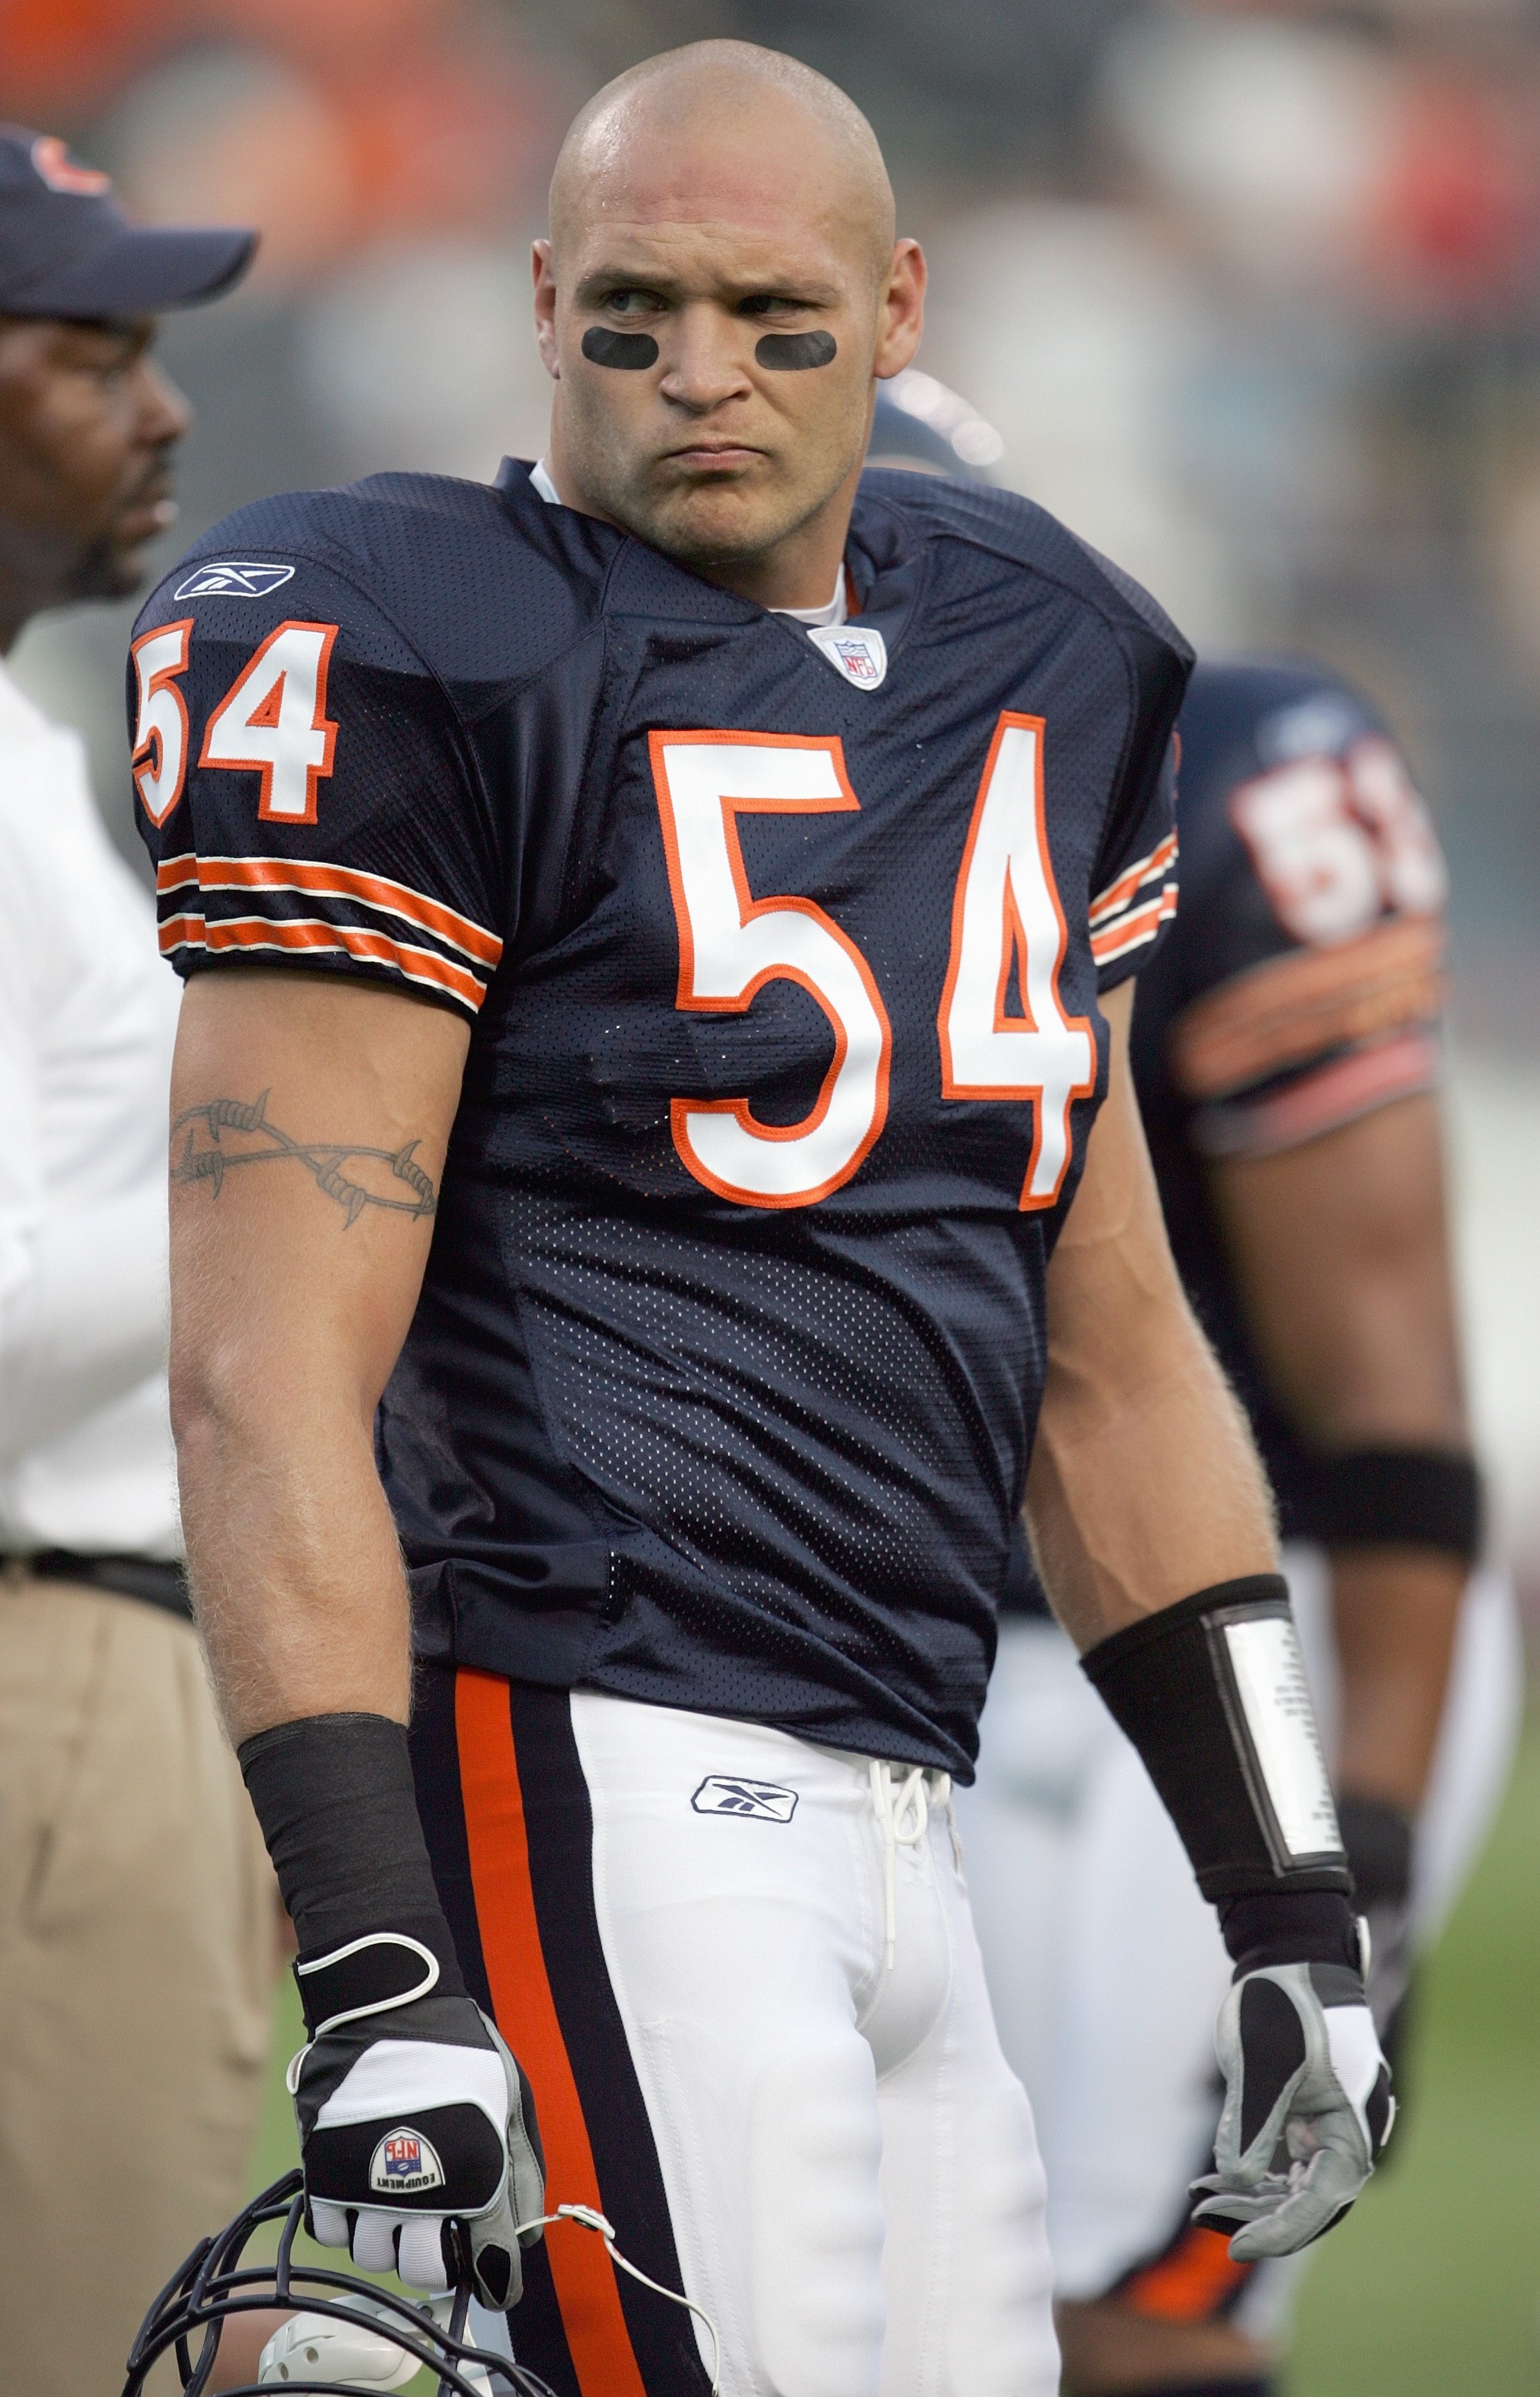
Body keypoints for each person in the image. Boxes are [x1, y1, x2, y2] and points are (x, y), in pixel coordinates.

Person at [132, 44, 1391, 2396]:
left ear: (895, 308)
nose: (696, 374)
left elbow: (1103, 1339)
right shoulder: (407, 633)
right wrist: (377, 1950)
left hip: (902, 1787)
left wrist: (1278, 1880)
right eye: (629, 313)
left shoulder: (1035, 649)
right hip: (596, 1745)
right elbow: (262, 1362)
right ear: (536, 304)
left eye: (769, 315)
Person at [960, 654, 1521, 2397]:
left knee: (1140, 2303)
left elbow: (1385, 1400)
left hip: (1216, 1612)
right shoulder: (609, 759)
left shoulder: (1219, 779)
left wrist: (1361, 1845)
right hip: (889, 1633)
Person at [0, 126, 277, 2397]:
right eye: (91, 353)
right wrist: (288, 1174)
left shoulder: (17, 743)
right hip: (47, 1673)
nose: (159, 408)